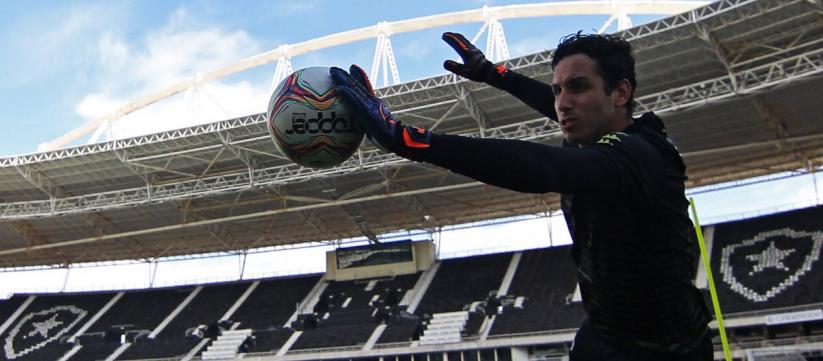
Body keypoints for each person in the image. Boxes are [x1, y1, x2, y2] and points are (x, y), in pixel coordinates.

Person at [330, 31, 712, 360]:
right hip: (603, 337)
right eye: (557, 88)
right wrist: (495, 76)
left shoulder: (641, 155)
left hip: (665, 350)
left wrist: (408, 140)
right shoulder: (594, 128)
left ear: (621, 92)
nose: (563, 102)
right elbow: (563, 108)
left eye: (578, 86)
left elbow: (543, 167)